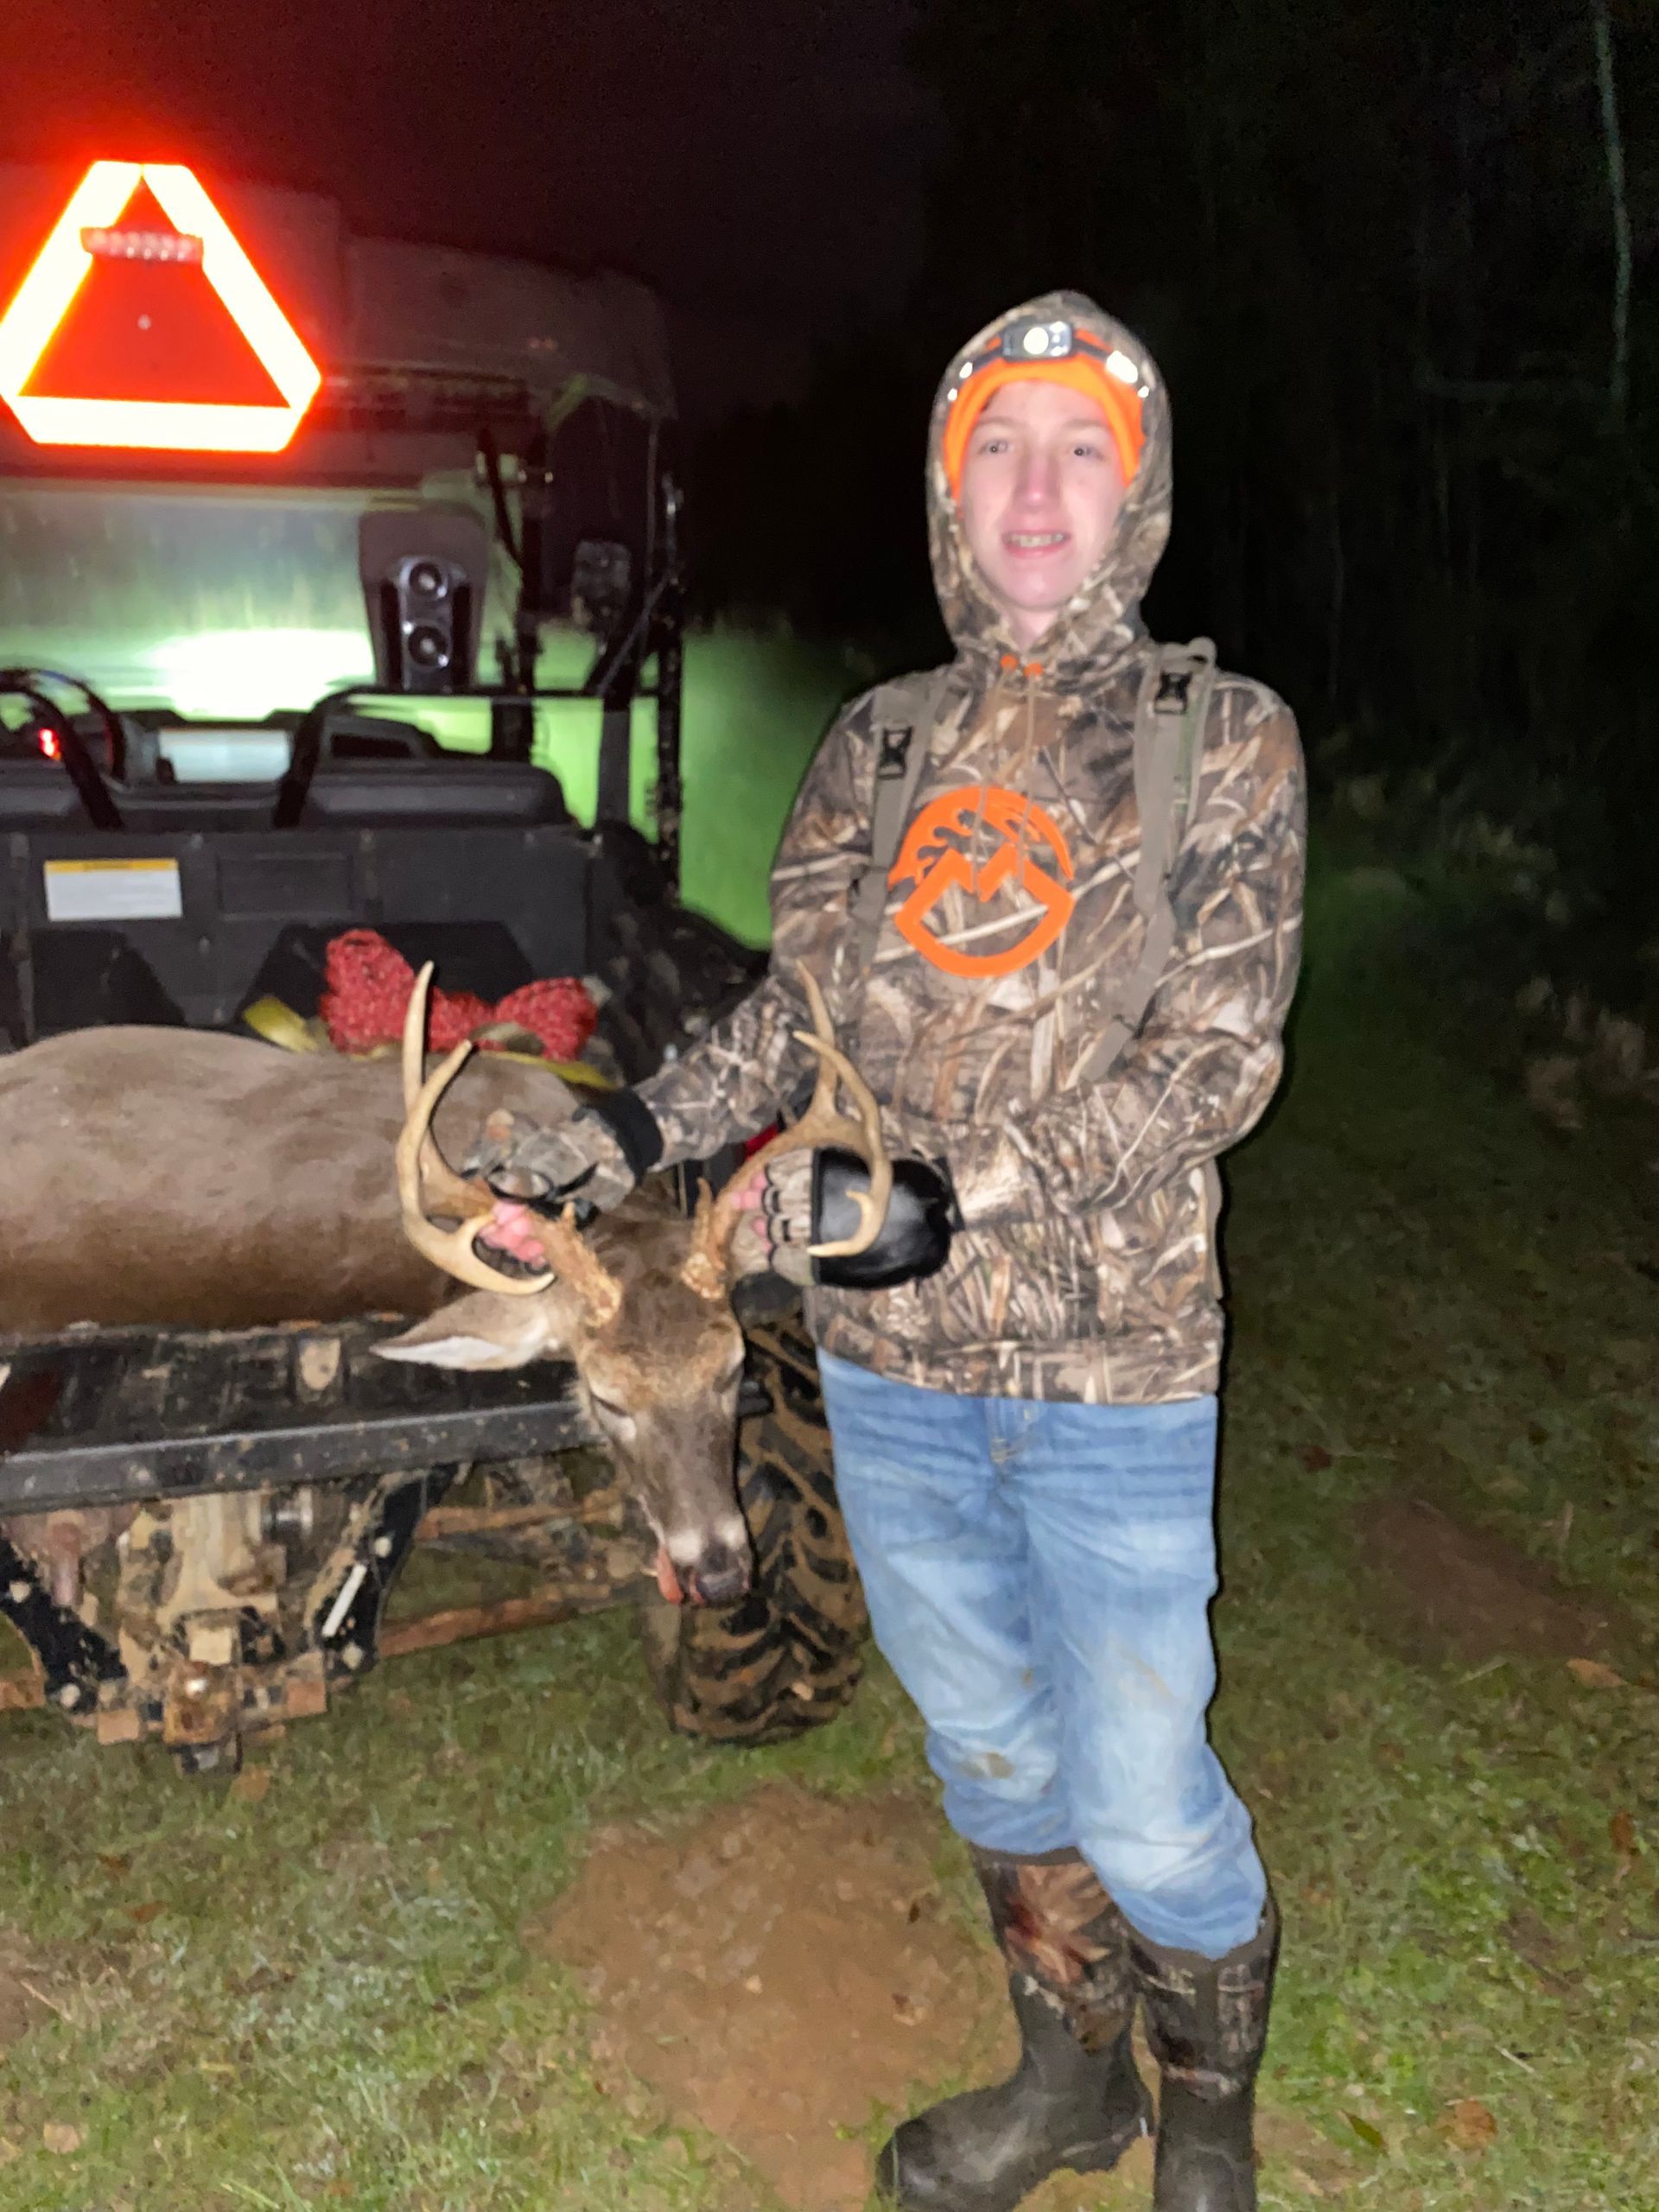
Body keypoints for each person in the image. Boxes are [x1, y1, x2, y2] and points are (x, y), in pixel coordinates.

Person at [479, 291, 1306, 2212]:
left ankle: (1208, 2129)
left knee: (1148, 1784)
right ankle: (1070, 2082)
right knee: (993, 1750)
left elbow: (1217, 1061)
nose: (1037, 486)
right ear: (951, 490)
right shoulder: (881, 741)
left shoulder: (1216, 740)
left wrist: (959, 1191)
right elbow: (795, 1017)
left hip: (1111, 1371)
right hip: (892, 1374)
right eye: (996, 446)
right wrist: (634, 1124)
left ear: (1139, 489)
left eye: (1081, 448)